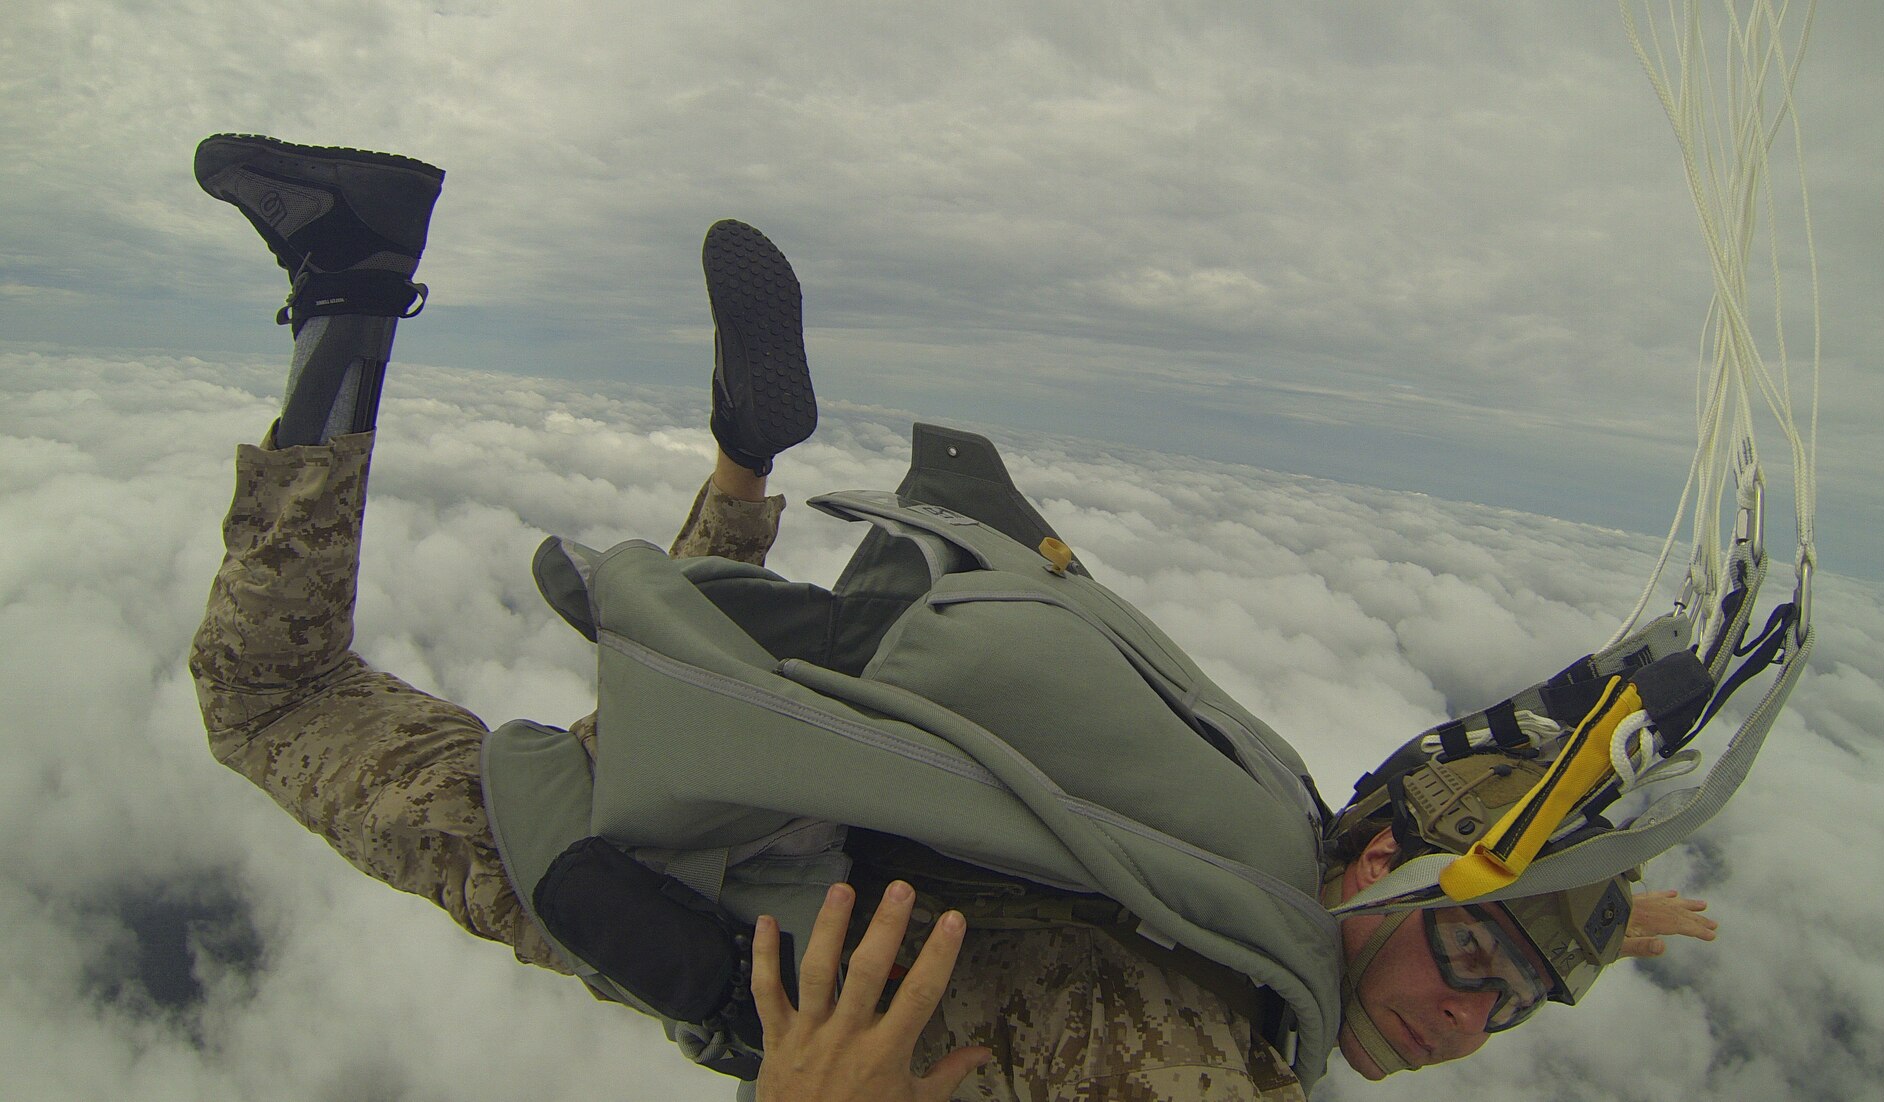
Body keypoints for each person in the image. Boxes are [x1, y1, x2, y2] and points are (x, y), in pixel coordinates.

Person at [187, 134, 1716, 1102]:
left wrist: (1566, 917)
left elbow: (1423, 804)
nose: (1471, 1024)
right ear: (1383, 873)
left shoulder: (1278, 850)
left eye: (1510, 1003)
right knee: (269, 701)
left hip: (792, 780)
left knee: (665, 679)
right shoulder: (1219, 1050)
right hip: (706, 889)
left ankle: (740, 469)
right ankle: (354, 281)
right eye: (1468, 965)